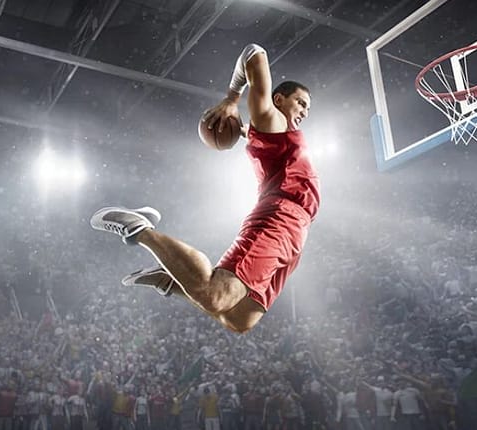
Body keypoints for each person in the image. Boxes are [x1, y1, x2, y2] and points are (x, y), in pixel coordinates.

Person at [91, 43, 318, 334]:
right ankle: (141, 229)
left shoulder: (270, 130)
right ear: (279, 99)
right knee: (216, 297)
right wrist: (232, 98)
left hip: (297, 231)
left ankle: (170, 279)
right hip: (281, 217)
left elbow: (259, 137)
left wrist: (244, 128)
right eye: (300, 102)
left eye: (308, 108)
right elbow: (254, 51)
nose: (305, 111)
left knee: (240, 320)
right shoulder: (271, 118)